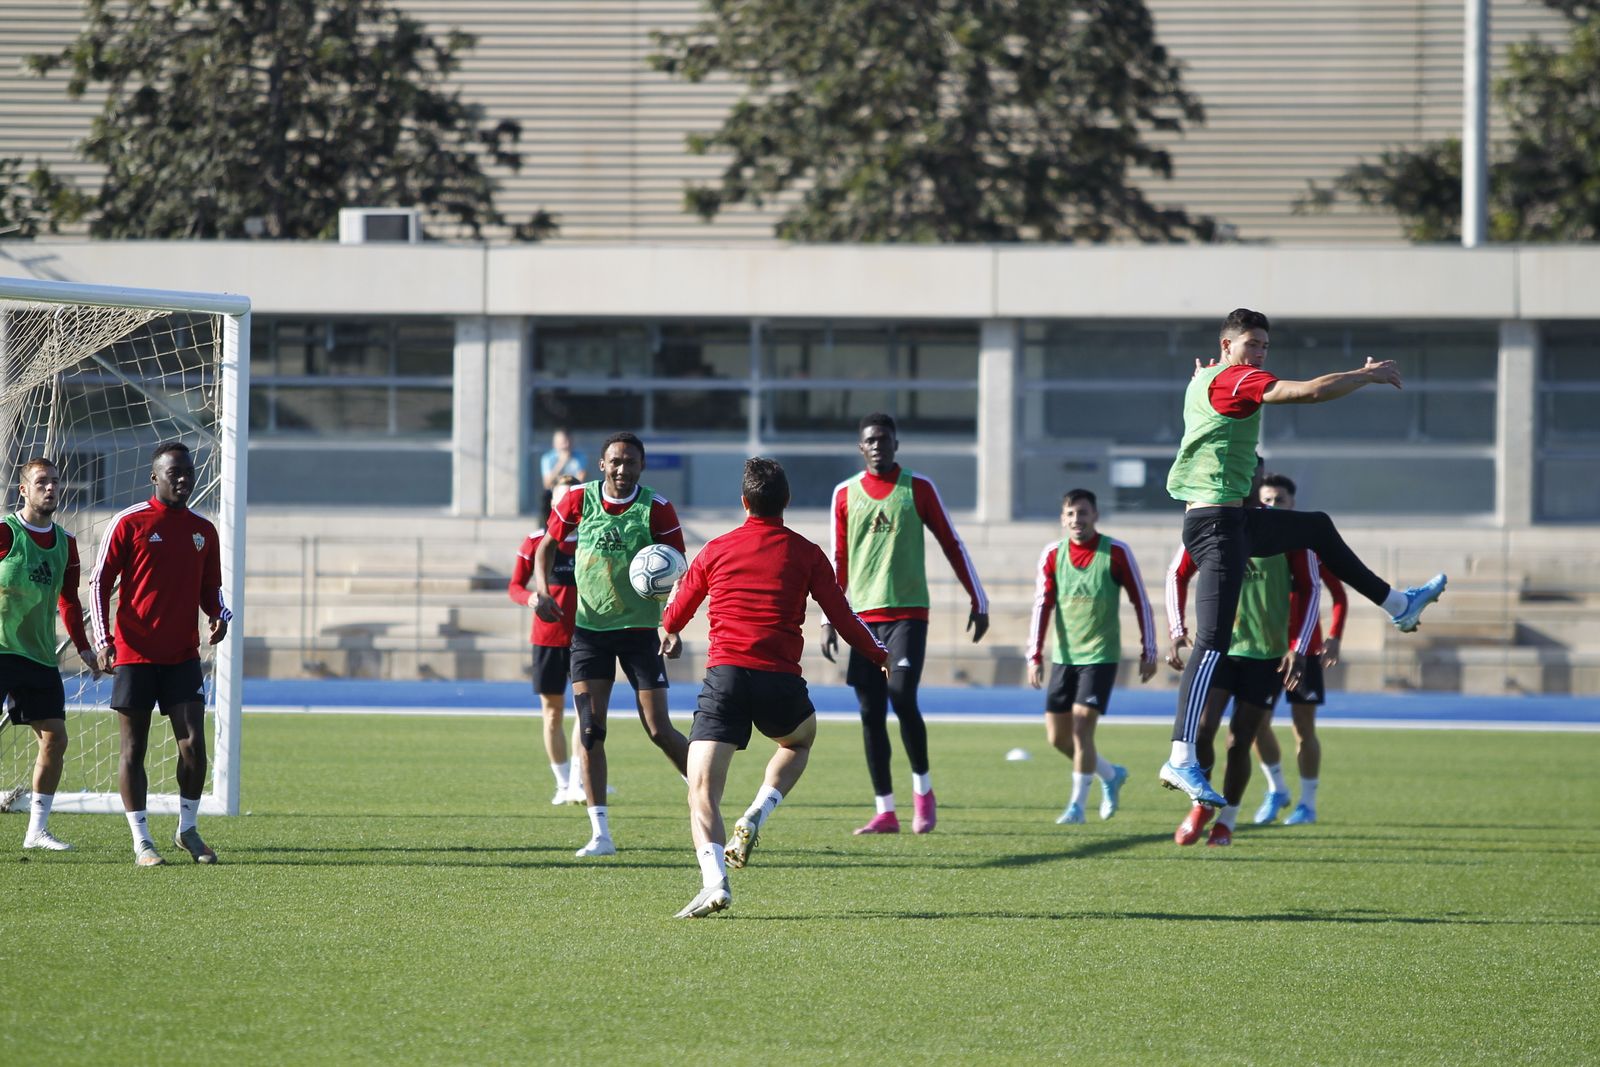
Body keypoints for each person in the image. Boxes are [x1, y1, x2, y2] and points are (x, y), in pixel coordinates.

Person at [1160, 308, 1447, 810]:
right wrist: (1366, 374)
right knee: (1212, 642)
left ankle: (1398, 603)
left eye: (1265, 346)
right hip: (1216, 525)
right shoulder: (1234, 379)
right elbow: (1311, 391)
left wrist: (1213, 371)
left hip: (1237, 521)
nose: (1260, 354)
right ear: (1228, 345)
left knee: (1314, 527)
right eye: (1251, 344)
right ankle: (1181, 756)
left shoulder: (1207, 376)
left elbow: (1211, 391)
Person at [660, 458, 887, 918]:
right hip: (780, 680)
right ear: (786, 501)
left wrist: (668, 628)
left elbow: (678, 609)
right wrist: (879, 655)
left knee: (701, 789)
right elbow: (844, 617)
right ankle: (757, 813)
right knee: (799, 741)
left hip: (725, 678)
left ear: (744, 502)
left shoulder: (716, 550)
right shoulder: (807, 553)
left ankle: (714, 882)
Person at [822, 412, 989, 835]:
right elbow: (837, 562)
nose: (877, 445)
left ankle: (923, 791)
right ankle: (885, 810)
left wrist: (977, 597)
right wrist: (829, 619)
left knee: (901, 693)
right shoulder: (844, 495)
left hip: (908, 613)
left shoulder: (918, 488)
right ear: (860, 448)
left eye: (884, 438)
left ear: (896, 443)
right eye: (870, 440)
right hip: (862, 619)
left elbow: (951, 542)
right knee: (869, 711)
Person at [532, 431, 689, 858]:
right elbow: (545, 548)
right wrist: (543, 591)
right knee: (589, 729)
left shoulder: (657, 508)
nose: (622, 468)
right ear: (601, 464)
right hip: (589, 633)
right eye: (615, 461)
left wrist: (671, 626)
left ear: (642, 466)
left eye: (631, 462)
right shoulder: (576, 501)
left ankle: (702, 788)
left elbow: (682, 574)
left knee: (658, 728)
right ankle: (601, 833)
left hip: (640, 634)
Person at [89, 442, 230, 867]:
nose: (184, 479)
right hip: (134, 654)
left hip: (183, 655)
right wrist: (102, 640)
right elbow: (98, 583)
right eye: (175, 473)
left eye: (188, 472)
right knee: (134, 749)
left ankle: (187, 830)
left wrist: (220, 614)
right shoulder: (128, 522)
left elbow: (211, 589)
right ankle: (142, 841)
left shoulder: (204, 530)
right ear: (155, 477)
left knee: (193, 746)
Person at [1167, 533, 1318, 847]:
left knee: (1239, 741)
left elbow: (1311, 588)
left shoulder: (1283, 532)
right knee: (1203, 730)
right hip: (1218, 650)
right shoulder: (1213, 524)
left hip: (1265, 657)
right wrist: (1178, 630)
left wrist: (1298, 647)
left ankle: (1227, 821)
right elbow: (1177, 574)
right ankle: (1202, 804)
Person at [1025, 488, 1156, 825]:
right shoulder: (1053, 554)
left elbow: (1140, 601)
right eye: (1070, 514)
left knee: (1082, 728)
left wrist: (1149, 649)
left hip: (1100, 656)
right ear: (1062, 519)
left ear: (1095, 516)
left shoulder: (1116, 553)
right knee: (1058, 738)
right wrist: (1034, 654)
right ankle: (1111, 774)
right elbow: (1042, 605)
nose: (1076, 520)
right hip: (1064, 657)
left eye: (1082, 513)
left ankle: (1077, 807)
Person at [3, 459, 99, 852]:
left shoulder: (66, 543)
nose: (51, 488)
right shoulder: (6, 533)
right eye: (41, 482)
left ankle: (36, 831)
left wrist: (85, 648)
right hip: (2, 649)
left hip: (39, 655)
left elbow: (68, 601)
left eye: (55, 482)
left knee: (55, 738)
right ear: (23, 489)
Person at [1251, 472, 1347, 827]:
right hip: (1263, 649)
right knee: (1254, 724)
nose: (1273, 506)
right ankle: (1276, 788)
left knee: (1302, 727)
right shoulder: (1254, 543)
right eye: (1268, 500)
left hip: (1304, 651)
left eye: (1280, 500)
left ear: (1292, 504)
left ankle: (1307, 803)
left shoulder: (1308, 546)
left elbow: (1338, 594)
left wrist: (1334, 635)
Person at [509, 474, 586, 805]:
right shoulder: (535, 541)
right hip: (548, 639)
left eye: (572, 498)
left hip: (587, 639)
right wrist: (532, 600)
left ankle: (581, 782)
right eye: (560, 498)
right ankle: (562, 782)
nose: (566, 504)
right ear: (552, 503)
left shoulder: (592, 539)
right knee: (552, 714)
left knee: (587, 714)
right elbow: (514, 586)